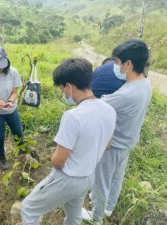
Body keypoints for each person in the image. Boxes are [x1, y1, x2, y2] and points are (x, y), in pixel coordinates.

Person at [21, 58, 117, 225]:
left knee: (29, 208)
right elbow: (108, 144)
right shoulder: (109, 110)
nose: (63, 93)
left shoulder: (73, 116)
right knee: (73, 215)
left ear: (69, 87)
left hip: (69, 178)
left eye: (61, 88)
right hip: (88, 176)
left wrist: (54, 155)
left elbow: (58, 161)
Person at [82, 39, 152, 224]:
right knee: (116, 178)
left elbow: (96, 105)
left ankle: (96, 217)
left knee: (100, 183)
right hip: (128, 142)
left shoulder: (125, 94)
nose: (115, 66)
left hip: (113, 146)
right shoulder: (145, 84)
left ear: (128, 64)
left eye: (118, 62)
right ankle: (109, 208)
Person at [0, 47, 39, 170]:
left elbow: (14, 92)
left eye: (1, 65)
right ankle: (1, 157)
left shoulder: (13, 72)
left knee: (18, 132)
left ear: (6, 60)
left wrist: (10, 101)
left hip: (11, 110)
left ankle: (22, 152)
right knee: (0, 136)